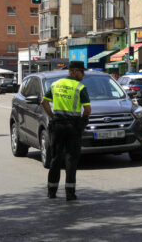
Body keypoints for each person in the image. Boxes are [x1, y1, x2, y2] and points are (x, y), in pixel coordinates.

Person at [41, 61, 91, 201]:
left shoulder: (55, 84)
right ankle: (70, 193)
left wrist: (52, 116)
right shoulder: (80, 87)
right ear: (74, 71)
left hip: (57, 126)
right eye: (82, 71)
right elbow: (87, 110)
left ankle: (52, 191)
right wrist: (82, 120)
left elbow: (43, 102)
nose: (83, 74)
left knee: (56, 158)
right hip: (73, 126)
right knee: (71, 159)